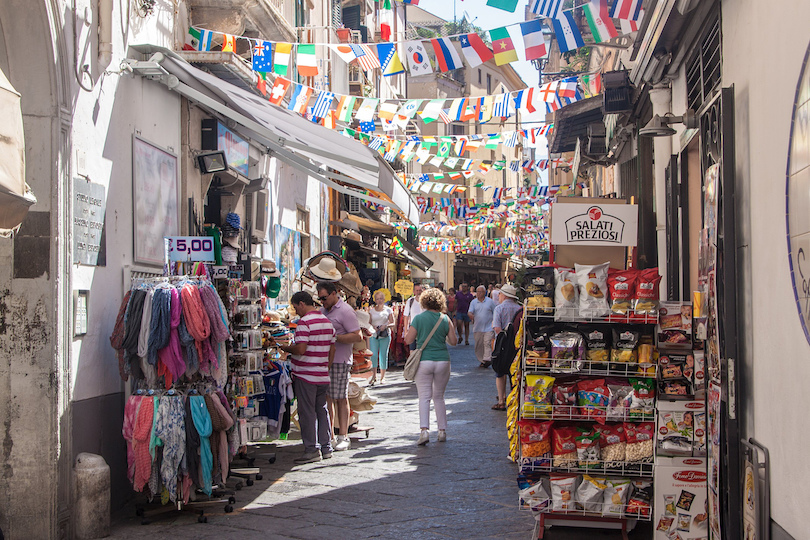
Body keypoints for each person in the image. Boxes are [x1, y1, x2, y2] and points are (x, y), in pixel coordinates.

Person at [279, 291, 335, 464]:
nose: (296, 312)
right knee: (321, 410)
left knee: (307, 413)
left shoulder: (304, 323)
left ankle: (311, 449)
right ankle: (326, 447)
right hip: (322, 375)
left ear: (302, 304)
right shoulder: (327, 322)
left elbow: (301, 349)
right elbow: (332, 349)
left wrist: (286, 348)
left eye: (296, 308)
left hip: (306, 375)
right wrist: (325, 367)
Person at [404, 288, 458, 445]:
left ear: (423, 302)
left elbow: (408, 340)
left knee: (424, 397)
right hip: (442, 360)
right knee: (439, 396)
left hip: (424, 361)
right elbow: (454, 342)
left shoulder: (419, 319)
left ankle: (424, 431)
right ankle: (442, 431)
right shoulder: (444, 318)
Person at [317, 281, 363, 451]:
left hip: (340, 360)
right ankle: (329, 435)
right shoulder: (323, 311)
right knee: (327, 398)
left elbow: (357, 336)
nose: (322, 301)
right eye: (320, 298)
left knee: (340, 398)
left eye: (324, 297)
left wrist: (335, 338)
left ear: (334, 293)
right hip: (325, 360)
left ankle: (343, 435)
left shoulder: (345, 311)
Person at [492, 284, 522, 411]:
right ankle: (514, 398)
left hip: (503, 345)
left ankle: (501, 400)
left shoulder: (499, 309)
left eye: (499, 294)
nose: (498, 296)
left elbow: (497, 328)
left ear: (504, 295)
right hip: (517, 345)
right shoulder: (520, 309)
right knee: (514, 373)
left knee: (500, 372)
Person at [368, 290, 394, 386]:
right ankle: (374, 376)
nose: (379, 301)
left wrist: (385, 326)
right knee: (373, 355)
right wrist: (373, 327)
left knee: (383, 355)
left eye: (381, 299)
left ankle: (383, 377)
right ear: (375, 300)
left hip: (385, 335)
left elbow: (393, 322)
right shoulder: (371, 311)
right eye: (377, 299)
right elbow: (368, 322)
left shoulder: (388, 310)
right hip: (374, 335)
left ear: (384, 299)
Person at [468, 285, 497, 369]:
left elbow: (495, 312)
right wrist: (470, 315)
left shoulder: (490, 302)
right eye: (478, 292)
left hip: (488, 327)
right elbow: (470, 311)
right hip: (477, 328)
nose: (479, 293)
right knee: (479, 345)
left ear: (485, 293)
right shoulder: (473, 302)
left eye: (481, 292)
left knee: (487, 343)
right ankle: (482, 360)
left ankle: (487, 359)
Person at [402, 283, 424, 350]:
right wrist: (406, 331)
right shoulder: (410, 301)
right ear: (414, 291)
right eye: (417, 290)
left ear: (423, 291)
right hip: (413, 327)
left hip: (424, 328)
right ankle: (413, 360)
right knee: (412, 349)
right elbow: (406, 316)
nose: (418, 292)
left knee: (422, 348)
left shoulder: (426, 302)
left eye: (420, 290)